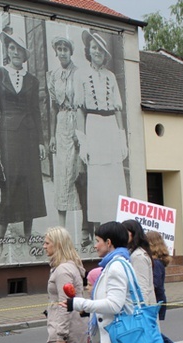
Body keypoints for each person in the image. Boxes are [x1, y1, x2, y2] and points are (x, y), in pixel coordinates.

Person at [0, 30, 47, 242]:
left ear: (24, 54)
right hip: (7, 137)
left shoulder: (32, 80)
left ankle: (29, 238)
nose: (15, 52)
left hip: (29, 137)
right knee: (9, 185)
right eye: (11, 48)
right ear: (7, 50)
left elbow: (36, 112)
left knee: (30, 185)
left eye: (19, 49)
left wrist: (41, 141)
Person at [74, 31, 127, 240]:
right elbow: (79, 109)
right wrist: (83, 142)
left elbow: (117, 109)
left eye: (101, 49)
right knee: (97, 178)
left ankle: (114, 228)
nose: (97, 52)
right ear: (88, 50)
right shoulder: (81, 75)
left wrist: (122, 137)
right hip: (93, 125)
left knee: (113, 176)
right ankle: (99, 232)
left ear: (105, 55)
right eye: (94, 47)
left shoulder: (111, 77)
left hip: (110, 126)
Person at [122, 220, 179, 343]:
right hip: (141, 311)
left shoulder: (138, 256)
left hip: (139, 311)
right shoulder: (136, 253)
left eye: (125, 232)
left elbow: (142, 288)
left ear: (132, 233)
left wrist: (139, 313)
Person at [47, 36, 81, 230]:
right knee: (61, 172)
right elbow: (52, 107)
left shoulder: (79, 73)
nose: (62, 52)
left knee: (77, 171)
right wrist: (51, 135)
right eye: (59, 49)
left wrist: (79, 131)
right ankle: (62, 226)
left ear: (71, 51)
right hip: (61, 123)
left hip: (76, 120)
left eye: (65, 49)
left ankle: (85, 227)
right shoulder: (54, 75)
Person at [146, 230, 182, 343]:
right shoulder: (156, 262)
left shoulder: (155, 263)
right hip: (157, 300)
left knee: (149, 331)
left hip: (155, 301)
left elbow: (156, 284)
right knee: (150, 330)